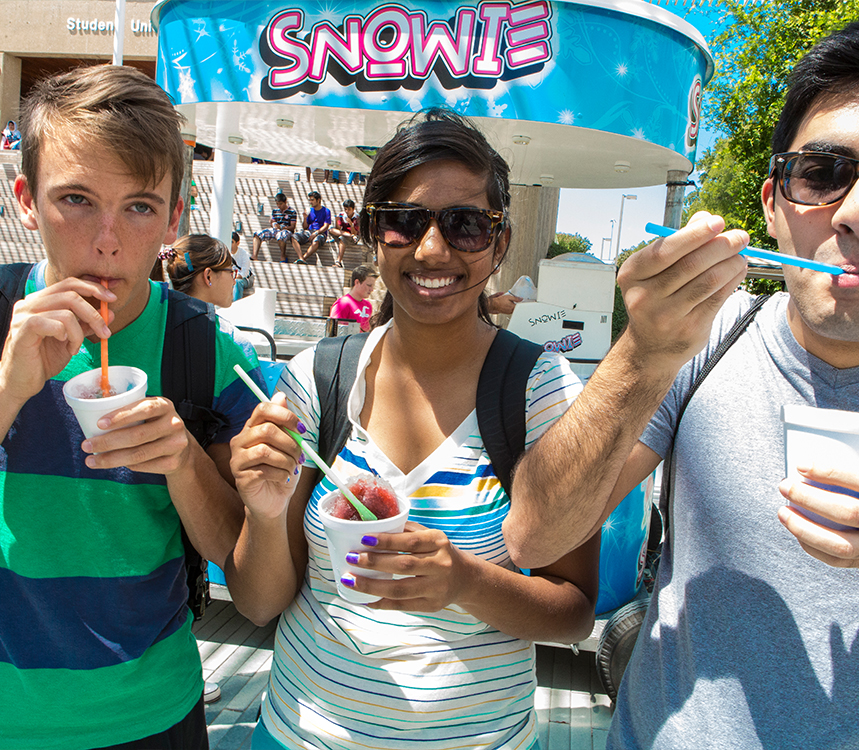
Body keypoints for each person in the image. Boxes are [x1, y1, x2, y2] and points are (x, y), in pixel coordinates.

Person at [505, 17, 859, 750]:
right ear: (773, 203)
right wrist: (643, 353)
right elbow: (535, 536)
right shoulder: (706, 338)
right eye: (823, 173)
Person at [225, 109, 600, 750]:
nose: (432, 249)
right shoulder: (318, 377)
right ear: (374, 234)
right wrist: (262, 513)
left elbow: (574, 611)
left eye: (466, 224)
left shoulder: (543, 390)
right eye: (403, 220)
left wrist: (466, 580)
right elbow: (259, 604)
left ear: (500, 241)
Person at [1, 64, 265, 750]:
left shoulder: (205, 351)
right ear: (26, 199)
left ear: (175, 216)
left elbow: (249, 573)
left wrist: (182, 462)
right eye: (77, 200)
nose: (108, 241)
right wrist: (8, 391)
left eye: (140, 206)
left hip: (154, 719)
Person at [151, 234, 237, 309]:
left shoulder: (163, 318)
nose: (234, 282)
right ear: (208, 276)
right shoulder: (214, 326)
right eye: (231, 272)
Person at [252, 192, 301, 263]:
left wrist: (281, 227)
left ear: (285, 202)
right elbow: (273, 221)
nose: (278, 206)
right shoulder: (275, 211)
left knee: (281, 236)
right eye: (277, 204)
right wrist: (273, 224)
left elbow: (292, 227)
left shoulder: (292, 212)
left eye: (280, 204)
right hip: (275, 229)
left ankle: (283, 256)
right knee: (258, 234)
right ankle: (254, 256)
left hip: (286, 230)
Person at [328, 264, 378, 332]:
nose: (371, 289)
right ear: (357, 282)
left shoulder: (368, 305)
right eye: (369, 285)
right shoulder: (342, 304)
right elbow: (335, 332)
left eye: (373, 286)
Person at [292, 190, 332, 263]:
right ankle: (300, 258)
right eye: (309, 200)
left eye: (312, 200)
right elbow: (305, 227)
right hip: (310, 231)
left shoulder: (326, 211)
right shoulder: (310, 210)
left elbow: (326, 226)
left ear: (318, 200)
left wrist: (316, 233)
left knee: (316, 241)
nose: (310, 202)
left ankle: (303, 258)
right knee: (293, 237)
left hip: (320, 233)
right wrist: (305, 218)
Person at [331, 197, 361, 267]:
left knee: (342, 238)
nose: (347, 211)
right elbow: (338, 228)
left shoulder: (357, 218)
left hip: (354, 235)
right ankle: (349, 235)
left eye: (349, 209)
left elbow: (355, 233)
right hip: (345, 233)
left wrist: (351, 224)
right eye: (345, 209)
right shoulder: (342, 215)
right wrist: (337, 221)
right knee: (331, 229)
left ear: (353, 209)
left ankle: (338, 261)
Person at [230, 230, 254, 301]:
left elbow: (245, 273)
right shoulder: (226, 252)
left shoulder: (244, 254)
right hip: (232, 277)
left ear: (238, 243)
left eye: (232, 242)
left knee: (237, 282)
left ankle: (235, 305)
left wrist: (234, 277)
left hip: (245, 279)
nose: (230, 245)